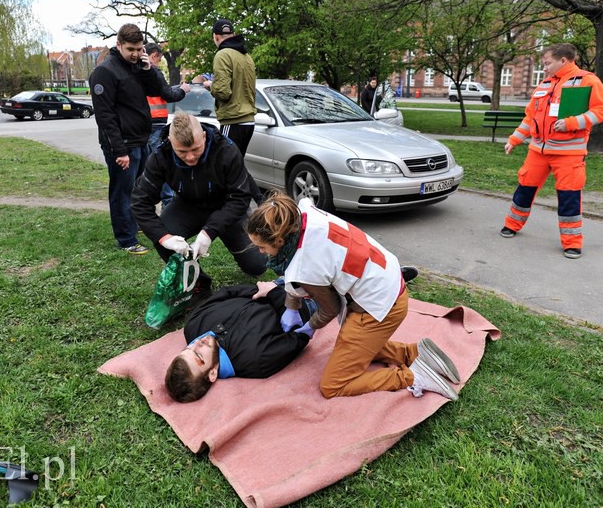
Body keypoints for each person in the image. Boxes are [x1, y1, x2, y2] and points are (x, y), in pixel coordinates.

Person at [245, 191, 461, 401]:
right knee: (352, 349)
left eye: (261, 247)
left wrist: (310, 326)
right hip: (390, 282)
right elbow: (298, 273)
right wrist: (291, 305)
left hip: (380, 306)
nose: (260, 252)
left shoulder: (305, 266)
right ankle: (415, 354)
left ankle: (414, 376)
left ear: (279, 241)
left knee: (333, 384)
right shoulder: (305, 213)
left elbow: (329, 309)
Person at [131, 110, 268, 296]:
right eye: (182, 152)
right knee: (162, 235)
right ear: (171, 143)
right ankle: (198, 281)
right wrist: (166, 239)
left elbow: (240, 197)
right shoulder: (160, 155)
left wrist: (209, 232)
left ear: (204, 136)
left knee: (256, 266)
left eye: (196, 149)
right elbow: (139, 202)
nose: (190, 157)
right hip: (187, 204)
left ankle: (244, 254)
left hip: (226, 205)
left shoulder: (227, 150)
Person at [500, 43, 603, 259]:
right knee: (524, 189)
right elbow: (531, 117)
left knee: (569, 196)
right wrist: (514, 139)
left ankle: (572, 243)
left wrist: (572, 123)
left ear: (564, 60)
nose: (544, 68)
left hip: (569, 154)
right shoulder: (544, 84)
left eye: (547, 63)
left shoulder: (587, 81)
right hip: (537, 152)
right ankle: (512, 225)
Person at [89, 24, 180, 255]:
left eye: (139, 49)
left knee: (140, 189)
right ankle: (126, 239)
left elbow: (156, 90)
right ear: (118, 44)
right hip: (122, 144)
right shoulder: (105, 71)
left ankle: (135, 225)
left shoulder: (138, 66)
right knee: (122, 191)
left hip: (141, 138)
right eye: (131, 49)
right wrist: (119, 151)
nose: (136, 53)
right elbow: (105, 116)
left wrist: (148, 69)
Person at [165, 281, 316, 402]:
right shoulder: (257, 360)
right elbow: (300, 333)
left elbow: (226, 292)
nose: (197, 343)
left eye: (188, 348)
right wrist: (273, 294)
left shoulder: (193, 326)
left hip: (271, 283)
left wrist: (262, 290)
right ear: (212, 373)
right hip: (306, 299)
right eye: (198, 355)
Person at [202, 18, 264, 204]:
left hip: (233, 120)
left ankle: (248, 204)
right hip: (248, 120)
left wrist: (210, 86)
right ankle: (257, 202)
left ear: (216, 37)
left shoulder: (223, 55)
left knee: (223, 164)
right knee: (235, 166)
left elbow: (223, 91)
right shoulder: (246, 56)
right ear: (233, 35)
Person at [144, 42, 191, 205]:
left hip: (144, 124)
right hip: (156, 122)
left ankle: (144, 207)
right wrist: (183, 90)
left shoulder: (136, 71)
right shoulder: (153, 72)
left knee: (146, 167)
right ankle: (168, 203)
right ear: (154, 55)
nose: (159, 62)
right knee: (162, 164)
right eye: (159, 58)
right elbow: (168, 94)